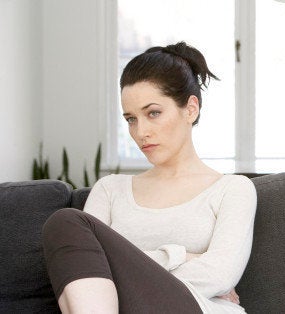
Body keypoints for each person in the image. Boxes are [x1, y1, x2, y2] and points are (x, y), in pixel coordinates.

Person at [42, 42, 257, 313]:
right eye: (131, 119)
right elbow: (81, 267)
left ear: (191, 109)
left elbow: (220, 274)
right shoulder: (110, 190)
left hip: (191, 308)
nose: (140, 131)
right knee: (65, 222)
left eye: (153, 113)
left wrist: (109, 278)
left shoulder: (233, 189)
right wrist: (183, 255)